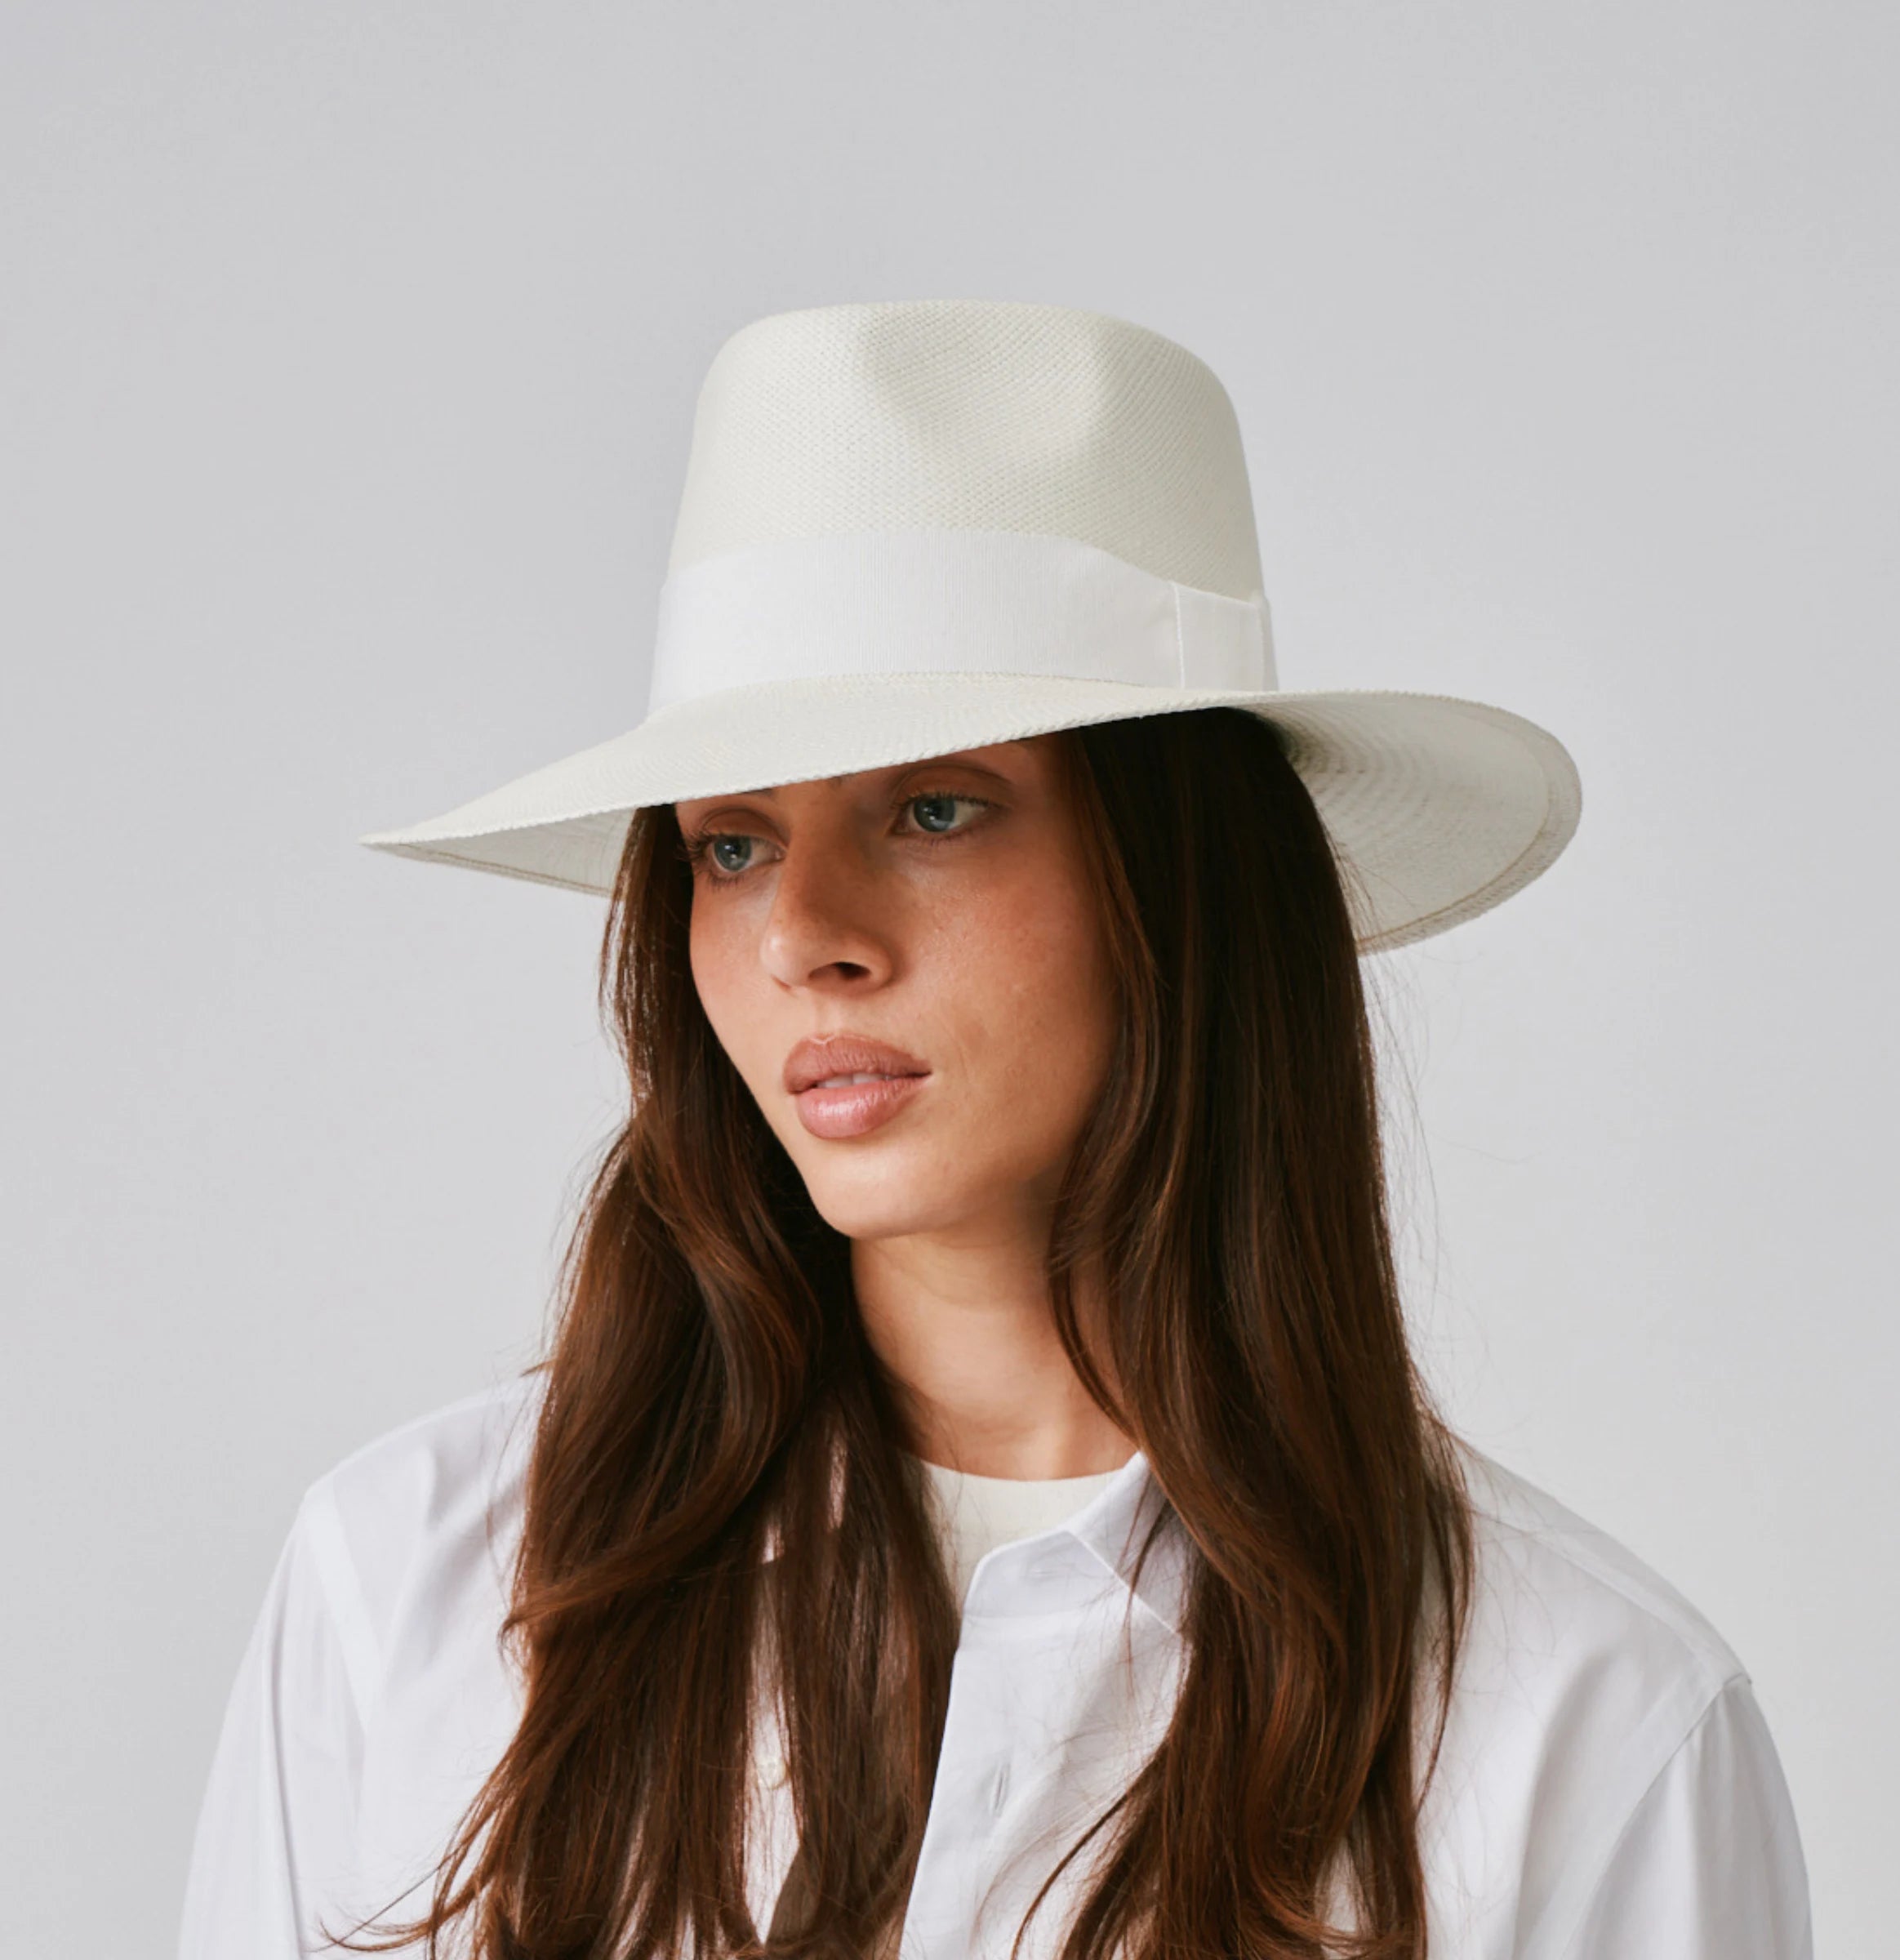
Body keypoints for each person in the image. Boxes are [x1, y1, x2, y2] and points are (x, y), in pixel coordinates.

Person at [178, 300, 1812, 1960]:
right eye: (730, 847)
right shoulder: (412, 1596)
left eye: (934, 807)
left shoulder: (1583, 1730)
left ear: (1181, 881)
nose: (805, 931)